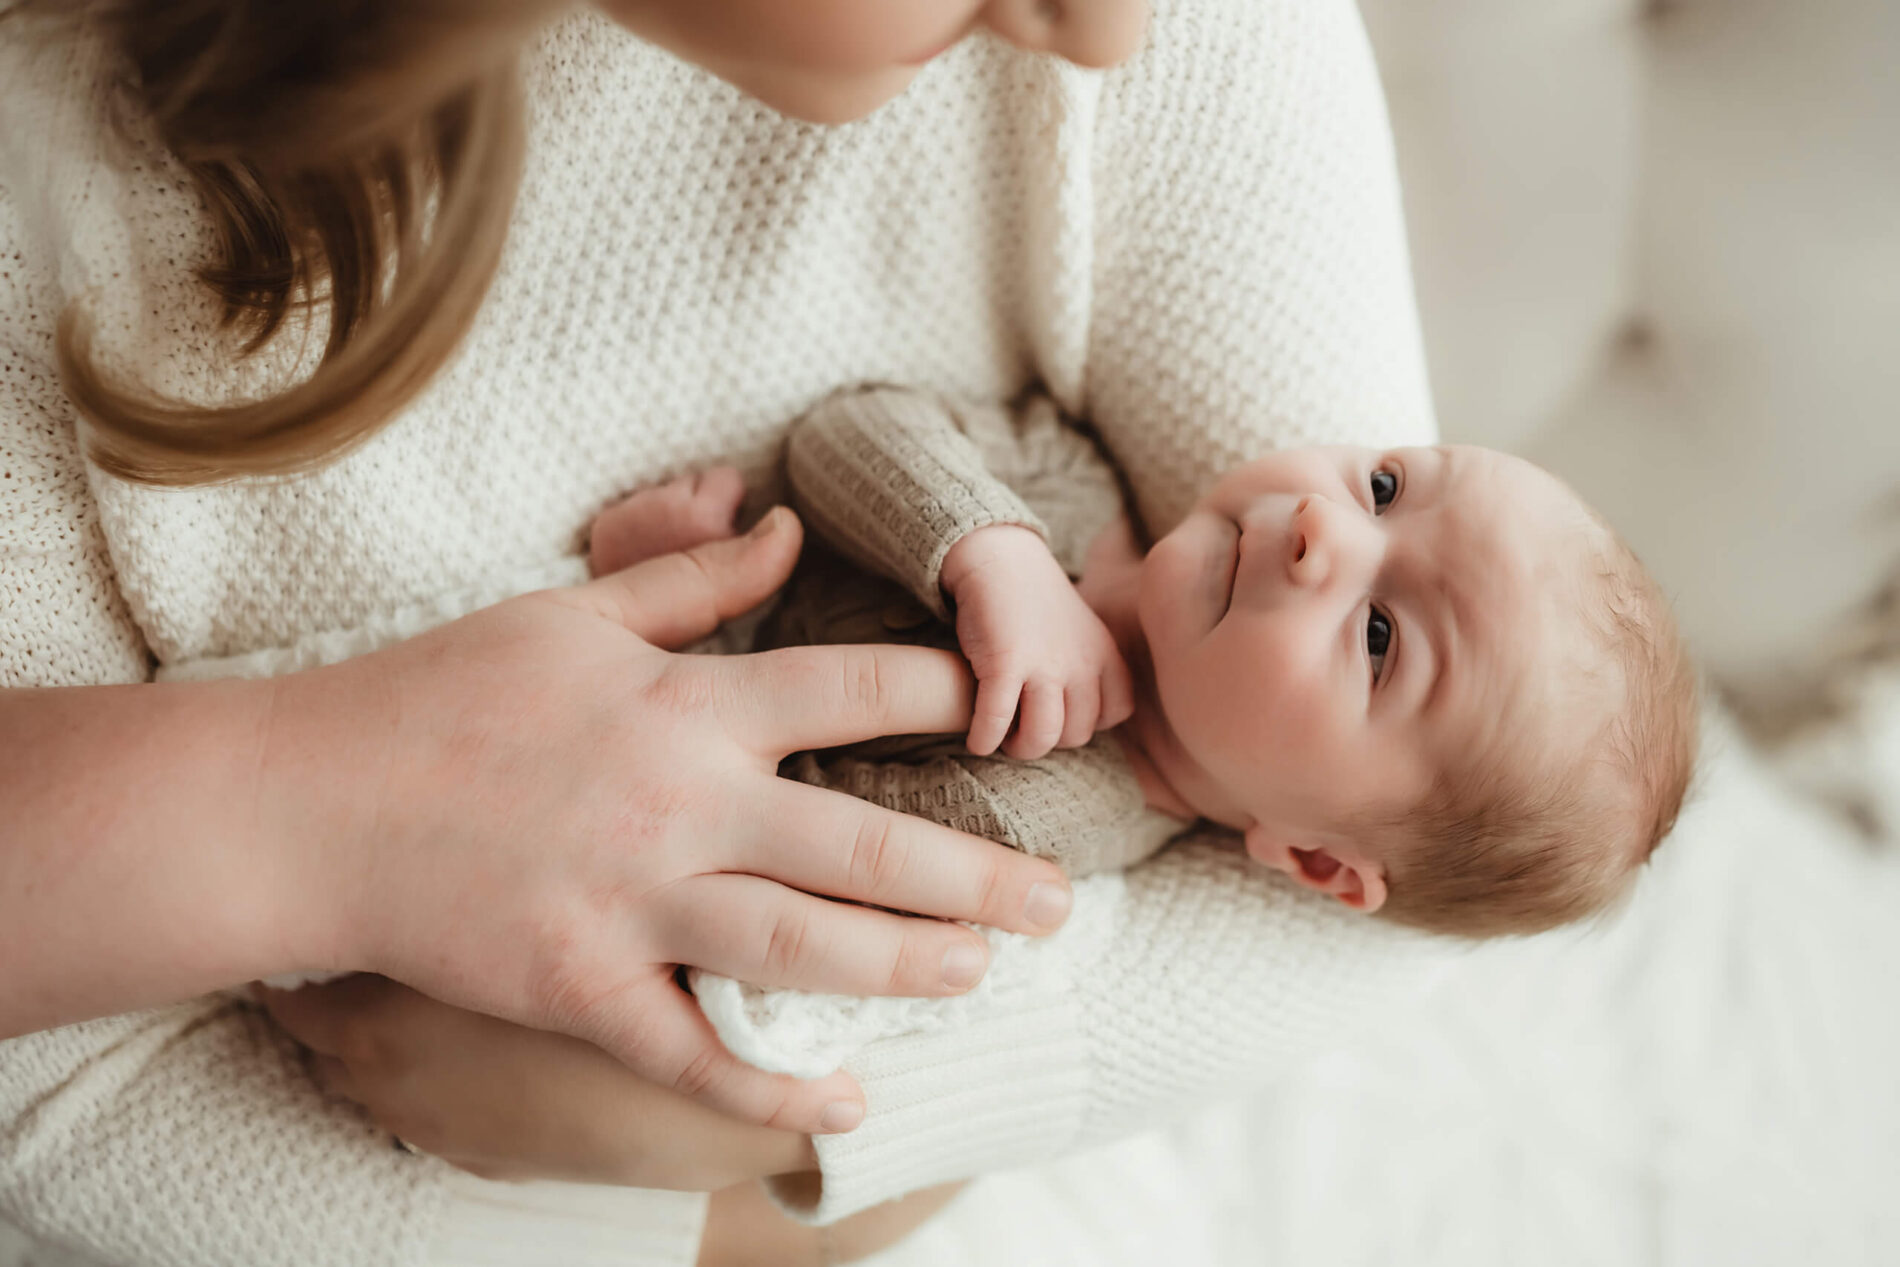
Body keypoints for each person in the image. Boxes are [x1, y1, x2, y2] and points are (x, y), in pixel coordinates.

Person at [0, 0, 1468, 1263]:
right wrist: (334, 805)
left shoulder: (1165, 52)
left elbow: (1456, 857)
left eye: (1384, 627)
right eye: (1382, 489)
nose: (1108, 33)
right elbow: (59, 1083)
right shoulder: (47, 186)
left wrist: (794, 1138)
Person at [581, 387, 1696, 1078]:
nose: (1322, 525)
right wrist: (992, 548)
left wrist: (691, 644)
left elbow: (769, 838)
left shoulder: (1038, 822)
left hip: (619, 741)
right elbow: (846, 430)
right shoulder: (1076, 488)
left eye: (1375, 639)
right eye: (1386, 486)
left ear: (1312, 855)